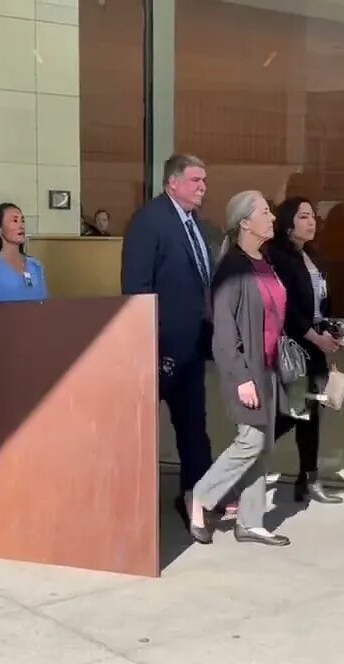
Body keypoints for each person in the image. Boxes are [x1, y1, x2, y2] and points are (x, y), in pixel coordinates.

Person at [186, 190, 290, 546]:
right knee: (251, 441)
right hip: (246, 371)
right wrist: (242, 377)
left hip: (269, 368)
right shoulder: (232, 267)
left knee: (262, 447)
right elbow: (225, 331)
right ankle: (201, 496)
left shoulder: (265, 261)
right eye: (265, 211)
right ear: (245, 222)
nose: (273, 217)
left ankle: (251, 520)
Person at [122, 153, 215, 521]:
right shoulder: (150, 222)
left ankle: (197, 501)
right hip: (159, 350)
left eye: (204, 181)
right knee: (140, 430)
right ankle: (129, 505)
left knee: (194, 428)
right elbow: (136, 290)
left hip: (192, 348)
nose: (203, 188)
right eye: (195, 180)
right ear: (172, 182)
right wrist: (150, 345)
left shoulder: (197, 226)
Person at [264, 196, 342, 504]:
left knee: (311, 415)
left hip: (316, 346)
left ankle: (308, 480)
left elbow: (320, 303)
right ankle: (246, 459)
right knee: (294, 413)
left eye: (313, 217)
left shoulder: (313, 255)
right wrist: (312, 335)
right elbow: (286, 309)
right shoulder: (278, 258)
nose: (311, 222)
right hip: (295, 346)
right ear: (287, 224)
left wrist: (329, 333)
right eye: (304, 216)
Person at [0, 203, 48, 303]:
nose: (21, 226)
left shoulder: (36, 265)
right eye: (15, 221)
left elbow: (45, 304)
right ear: (0, 229)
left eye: (22, 221)